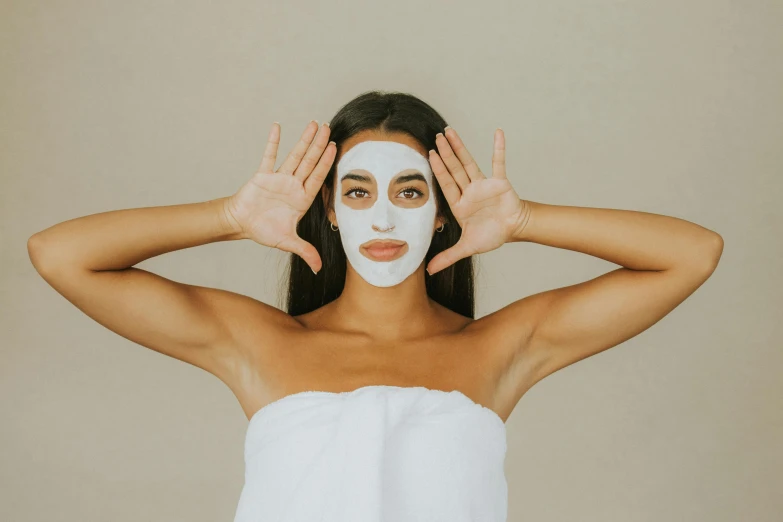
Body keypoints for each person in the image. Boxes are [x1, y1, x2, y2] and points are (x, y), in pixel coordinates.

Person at [27, 90, 724, 521]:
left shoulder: (497, 348)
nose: (383, 219)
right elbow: (60, 254)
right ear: (327, 210)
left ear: (444, 211)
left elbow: (690, 253)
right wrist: (227, 215)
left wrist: (526, 219)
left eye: (411, 192)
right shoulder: (260, 342)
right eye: (357, 192)